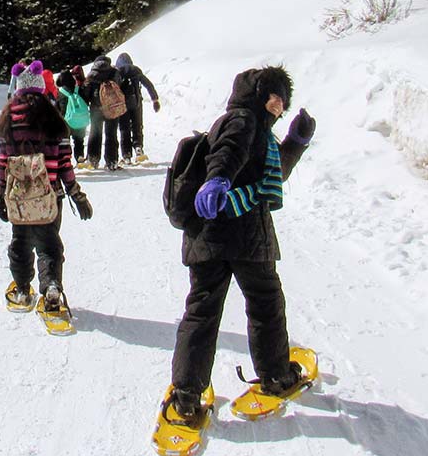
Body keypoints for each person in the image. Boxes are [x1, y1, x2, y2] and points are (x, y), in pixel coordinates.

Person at [166, 65, 316, 426]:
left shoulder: (257, 134)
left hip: (210, 237)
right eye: (273, 96)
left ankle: (187, 395)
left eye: (283, 101)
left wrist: (295, 143)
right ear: (256, 95)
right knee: (264, 305)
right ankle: (277, 375)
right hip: (245, 236)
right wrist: (217, 179)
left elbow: (271, 175)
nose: (278, 105)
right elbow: (229, 152)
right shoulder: (242, 122)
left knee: (202, 311)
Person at [0, 60, 93, 311]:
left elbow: (3, 162)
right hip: (50, 196)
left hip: (18, 197)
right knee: (49, 244)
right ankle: (51, 288)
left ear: (18, 88)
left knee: (21, 243)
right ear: (40, 88)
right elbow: (64, 163)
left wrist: (0, 194)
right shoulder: (54, 118)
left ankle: (22, 289)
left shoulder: (9, 120)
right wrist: (76, 194)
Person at [114, 52, 160, 164]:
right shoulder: (136, 70)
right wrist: (155, 99)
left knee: (124, 129)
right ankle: (138, 147)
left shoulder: (117, 73)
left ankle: (126, 155)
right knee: (137, 126)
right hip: (136, 103)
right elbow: (148, 84)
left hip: (122, 105)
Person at [84, 55, 123, 170]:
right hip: (112, 107)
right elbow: (119, 87)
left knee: (95, 133)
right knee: (111, 134)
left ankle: (93, 159)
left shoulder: (91, 74)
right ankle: (112, 161)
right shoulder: (114, 72)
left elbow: (86, 92)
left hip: (96, 108)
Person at [55, 68, 92, 165]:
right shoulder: (78, 89)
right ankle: (79, 156)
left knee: (66, 142)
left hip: (66, 121)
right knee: (79, 140)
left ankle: (67, 160)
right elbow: (86, 101)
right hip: (80, 119)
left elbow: (57, 108)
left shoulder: (60, 92)